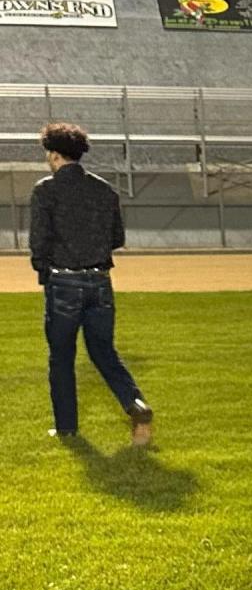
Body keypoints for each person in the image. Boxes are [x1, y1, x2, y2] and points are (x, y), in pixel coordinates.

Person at [29, 122, 154, 444]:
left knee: (61, 357)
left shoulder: (46, 190)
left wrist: (45, 271)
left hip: (63, 283)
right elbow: (117, 238)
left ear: (54, 155)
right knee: (104, 352)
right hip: (100, 282)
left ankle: (67, 427)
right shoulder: (104, 190)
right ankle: (135, 403)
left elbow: (39, 241)